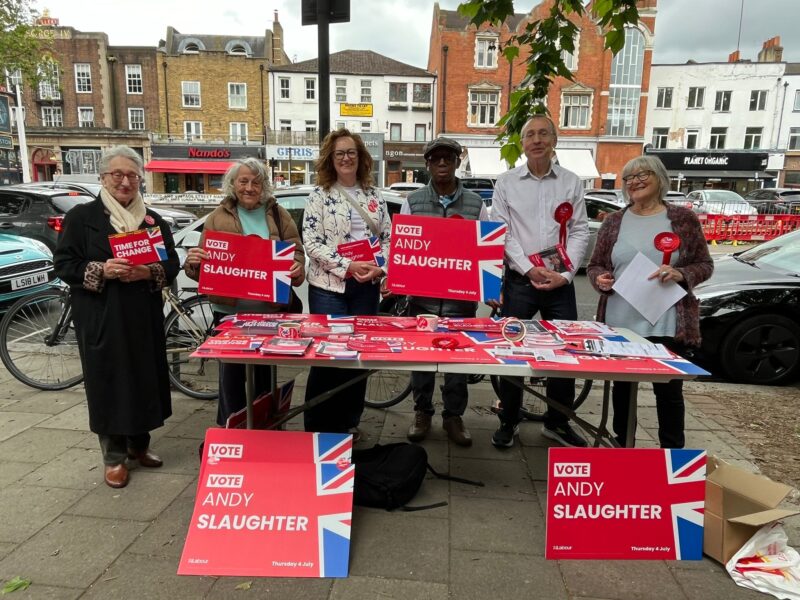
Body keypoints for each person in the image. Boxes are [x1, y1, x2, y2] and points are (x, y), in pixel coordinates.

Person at [54, 146, 180, 488]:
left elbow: (171, 265)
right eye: (118, 175)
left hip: (142, 315)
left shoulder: (152, 220)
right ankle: (113, 456)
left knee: (143, 380)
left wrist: (147, 273)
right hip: (102, 316)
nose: (125, 182)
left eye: (132, 176)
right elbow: (64, 265)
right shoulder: (82, 218)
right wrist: (102, 269)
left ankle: (139, 446)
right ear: (103, 178)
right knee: (109, 381)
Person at [587, 155, 713, 448]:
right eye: (629, 177)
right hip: (621, 321)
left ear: (660, 179)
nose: (635, 181)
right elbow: (595, 266)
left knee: (668, 392)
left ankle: (671, 454)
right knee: (622, 390)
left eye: (643, 174)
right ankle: (622, 444)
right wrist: (600, 279)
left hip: (666, 320)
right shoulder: (614, 221)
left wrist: (681, 272)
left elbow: (704, 265)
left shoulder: (682, 219)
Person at [490, 115, 590, 449]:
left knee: (564, 352)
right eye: (530, 134)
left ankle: (557, 423)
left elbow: (578, 230)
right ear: (522, 142)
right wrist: (527, 268)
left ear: (554, 140)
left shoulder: (572, 182)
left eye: (543, 133)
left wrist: (564, 274)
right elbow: (502, 232)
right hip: (520, 281)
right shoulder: (505, 183)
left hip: (560, 283)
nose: (536, 139)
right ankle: (509, 419)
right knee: (512, 351)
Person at [183, 158, 305, 426]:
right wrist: (193, 263)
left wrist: (297, 267)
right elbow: (202, 267)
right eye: (243, 181)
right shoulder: (217, 217)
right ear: (233, 184)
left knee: (265, 377)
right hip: (229, 314)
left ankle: (266, 427)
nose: (249, 187)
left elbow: (296, 252)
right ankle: (231, 429)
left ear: (264, 186)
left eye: (256, 182)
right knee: (231, 379)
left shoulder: (277, 214)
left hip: (269, 313)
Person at [302, 128, 391, 436]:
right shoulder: (319, 195)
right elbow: (311, 244)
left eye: (351, 152)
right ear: (331, 159)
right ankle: (317, 425)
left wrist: (380, 269)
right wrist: (347, 265)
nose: (346, 158)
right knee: (327, 357)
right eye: (339, 153)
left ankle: (348, 422)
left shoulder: (373, 195)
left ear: (361, 157)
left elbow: (388, 239)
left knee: (358, 358)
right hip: (329, 288)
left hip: (365, 288)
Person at [402, 137, 489, 447]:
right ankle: (422, 412)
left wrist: (490, 288)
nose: (442, 163)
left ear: (456, 163)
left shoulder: (477, 205)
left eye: (448, 159)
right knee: (421, 361)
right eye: (436, 159)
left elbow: (486, 252)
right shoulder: (412, 202)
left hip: (460, 301)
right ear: (427, 164)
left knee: (457, 364)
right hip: (422, 300)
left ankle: (453, 416)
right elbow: (403, 248)